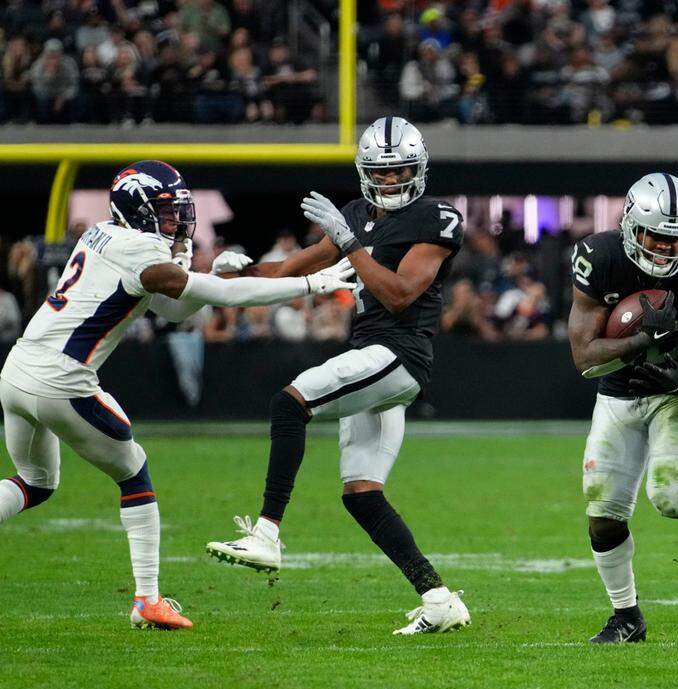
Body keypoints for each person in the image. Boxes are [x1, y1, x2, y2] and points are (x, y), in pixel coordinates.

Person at [0, 160, 353, 629]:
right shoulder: (140, 249)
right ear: (138, 211)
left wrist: (206, 273)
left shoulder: (102, 234)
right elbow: (212, 295)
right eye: (165, 212)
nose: (177, 221)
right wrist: (306, 283)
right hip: (61, 381)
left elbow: (169, 306)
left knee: (35, 484)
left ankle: (148, 599)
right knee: (134, 471)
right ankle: (147, 599)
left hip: (17, 371)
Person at [205, 117, 471, 635]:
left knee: (290, 403)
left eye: (400, 172)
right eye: (382, 173)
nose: (391, 182)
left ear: (419, 171)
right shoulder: (357, 216)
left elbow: (398, 294)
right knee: (362, 494)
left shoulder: (436, 217)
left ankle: (266, 533)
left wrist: (351, 243)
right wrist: (231, 273)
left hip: (398, 352)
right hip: (373, 357)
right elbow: (293, 270)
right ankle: (438, 599)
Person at [568, 173, 678, 644]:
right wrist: (643, 338)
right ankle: (627, 616)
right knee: (603, 509)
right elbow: (583, 356)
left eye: (675, 238)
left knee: (670, 499)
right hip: (618, 390)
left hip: (676, 392)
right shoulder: (599, 258)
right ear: (629, 226)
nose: (663, 247)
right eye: (655, 234)